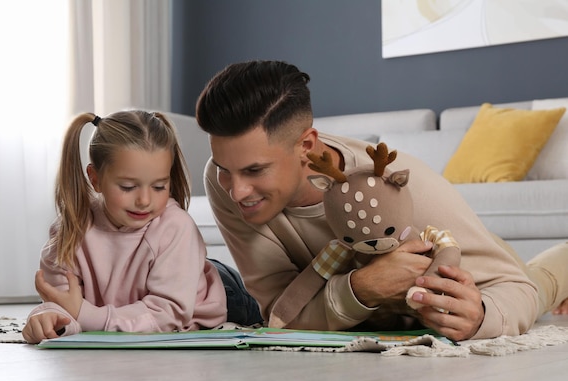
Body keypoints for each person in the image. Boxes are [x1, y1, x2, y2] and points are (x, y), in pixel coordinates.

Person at [195, 59, 568, 342]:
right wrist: (362, 287)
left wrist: (481, 314)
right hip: (376, 307)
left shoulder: (404, 187)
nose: (237, 191)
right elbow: (280, 316)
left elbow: (515, 286)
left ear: (306, 145)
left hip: (472, 258)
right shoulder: (221, 177)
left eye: (255, 170)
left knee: (539, 284)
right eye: (226, 168)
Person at [22, 110, 261, 344]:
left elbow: (168, 315)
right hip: (169, 275)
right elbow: (64, 305)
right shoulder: (70, 230)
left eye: (159, 187)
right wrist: (48, 320)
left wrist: (86, 315)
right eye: (127, 187)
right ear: (95, 179)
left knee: (273, 313)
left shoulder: (175, 226)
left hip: (220, 293)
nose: (145, 200)